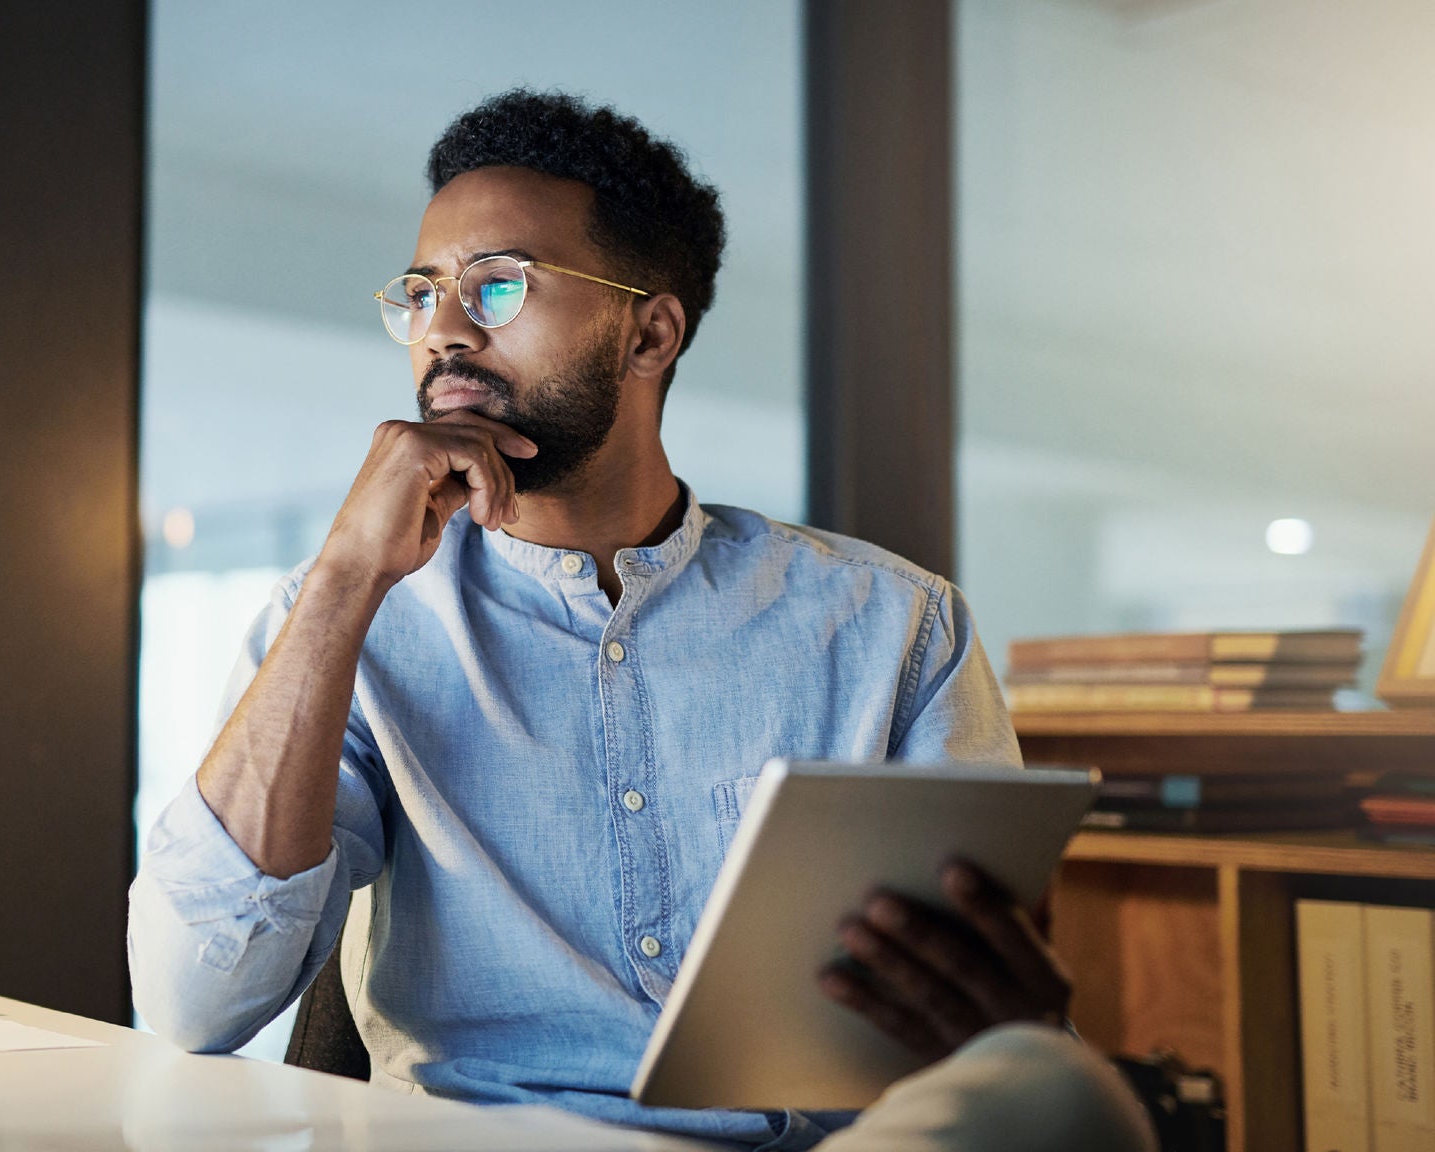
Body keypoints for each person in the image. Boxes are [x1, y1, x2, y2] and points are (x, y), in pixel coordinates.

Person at [128, 89, 1146, 1150]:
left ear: (649, 331)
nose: (441, 329)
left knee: (1061, 1099)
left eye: (498, 283)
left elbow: (979, 1030)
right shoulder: (349, 612)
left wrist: (1009, 1034)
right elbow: (193, 1000)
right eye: (422, 292)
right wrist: (341, 578)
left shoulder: (895, 625)